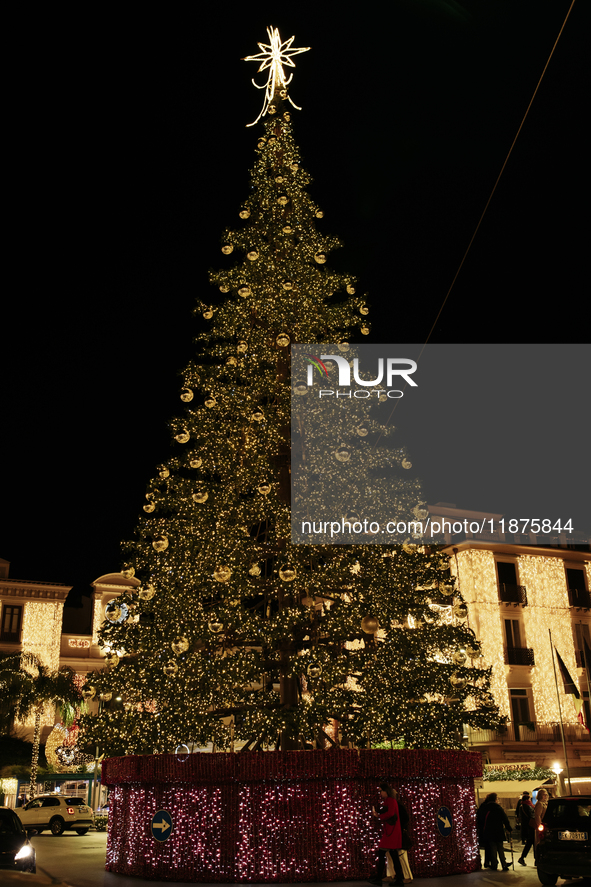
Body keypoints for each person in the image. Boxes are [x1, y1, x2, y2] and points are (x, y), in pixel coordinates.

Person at [369, 782, 404, 887]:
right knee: (393, 855)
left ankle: (380, 878)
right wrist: (379, 814)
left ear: (385, 791)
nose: (380, 793)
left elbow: (390, 813)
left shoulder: (390, 801)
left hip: (391, 832)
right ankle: (398, 879)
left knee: (383, 853)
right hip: (391, 831)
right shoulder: (389, 801)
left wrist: (379, 816)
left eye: (381, 791)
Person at [477, 792, 511, 871]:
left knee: (493, 848)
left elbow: (480, 819)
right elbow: (505, 819)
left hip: (489, 831)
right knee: (500, 848)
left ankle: (494, 864)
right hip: (498, 831)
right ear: (495, 799)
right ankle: (504, 864)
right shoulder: (498, 808)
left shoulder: (485, 807)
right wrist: (509, 828)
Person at [516, 791, 535, 866]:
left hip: (526, 827)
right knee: (532, 843)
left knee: (530, 843)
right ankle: (534, 859)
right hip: (530, 827)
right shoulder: (528, 806)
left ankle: (522, 858)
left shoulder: (522, 806)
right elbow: (532, 816)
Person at [534, 788, 550, 860]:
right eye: (544, 795)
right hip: (541, 827)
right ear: (540, 795)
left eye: (546, 795)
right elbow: (537, 815)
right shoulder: (540, 804)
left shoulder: (544, 803)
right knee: (539, 843)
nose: (545, 796)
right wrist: (540, 826)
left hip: (544, 826)